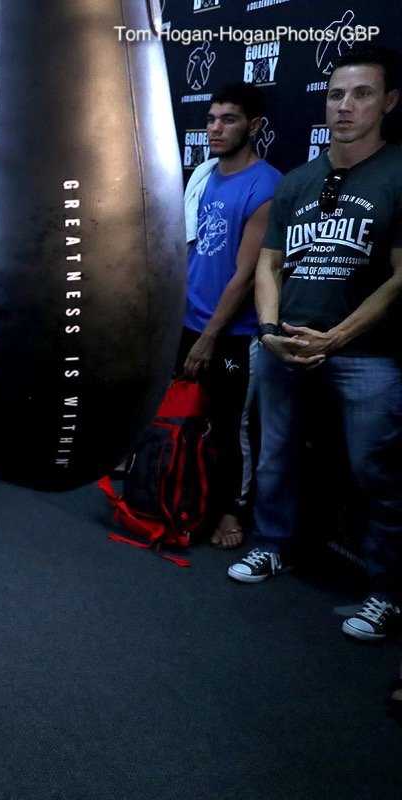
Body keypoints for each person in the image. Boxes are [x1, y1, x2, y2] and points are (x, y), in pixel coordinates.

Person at [227, 45, 402, 643]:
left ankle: (386, 591)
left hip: (368, 355)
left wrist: (339, 335)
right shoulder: (299, 180)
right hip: (284, 347)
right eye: (335, 95)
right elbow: (269, 264)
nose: (345, 106)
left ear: (389, 102)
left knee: (374, 472)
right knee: (276, 454)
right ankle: (274, 545)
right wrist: (271, 333)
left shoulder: (398, 173)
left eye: (362, 94)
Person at [177, 83, 282, 550]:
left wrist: (209, 337)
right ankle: (187, 496)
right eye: (212, 118)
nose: (215, 128)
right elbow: (194, 248)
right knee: (186, 416)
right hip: (189, 318)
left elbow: (245, 274)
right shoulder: (203, 173)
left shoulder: (266, 185)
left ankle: (228, 512)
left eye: (229, 119)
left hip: (232, 333)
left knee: (228, 427)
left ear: (254, 126)